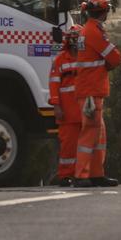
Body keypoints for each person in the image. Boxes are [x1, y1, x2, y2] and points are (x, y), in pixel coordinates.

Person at [73, 0, 121, 187]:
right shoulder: (94, 32)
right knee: (90, 132)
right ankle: (81, 175)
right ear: (104, 12)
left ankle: (96, 173)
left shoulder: (87, 30)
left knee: (98, 135)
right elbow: (115, 57)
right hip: (90, 92)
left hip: (90, 90)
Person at [48, 23, 83, 186]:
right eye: (73, 39)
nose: (76, 43)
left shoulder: (86, 58)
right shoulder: (60, 60)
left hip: (84, 111)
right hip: (67, 112)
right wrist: (56, 106)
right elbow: (54, 84)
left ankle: (82, 174)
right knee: (68, 146)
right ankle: (65, 175)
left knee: (85, 146)